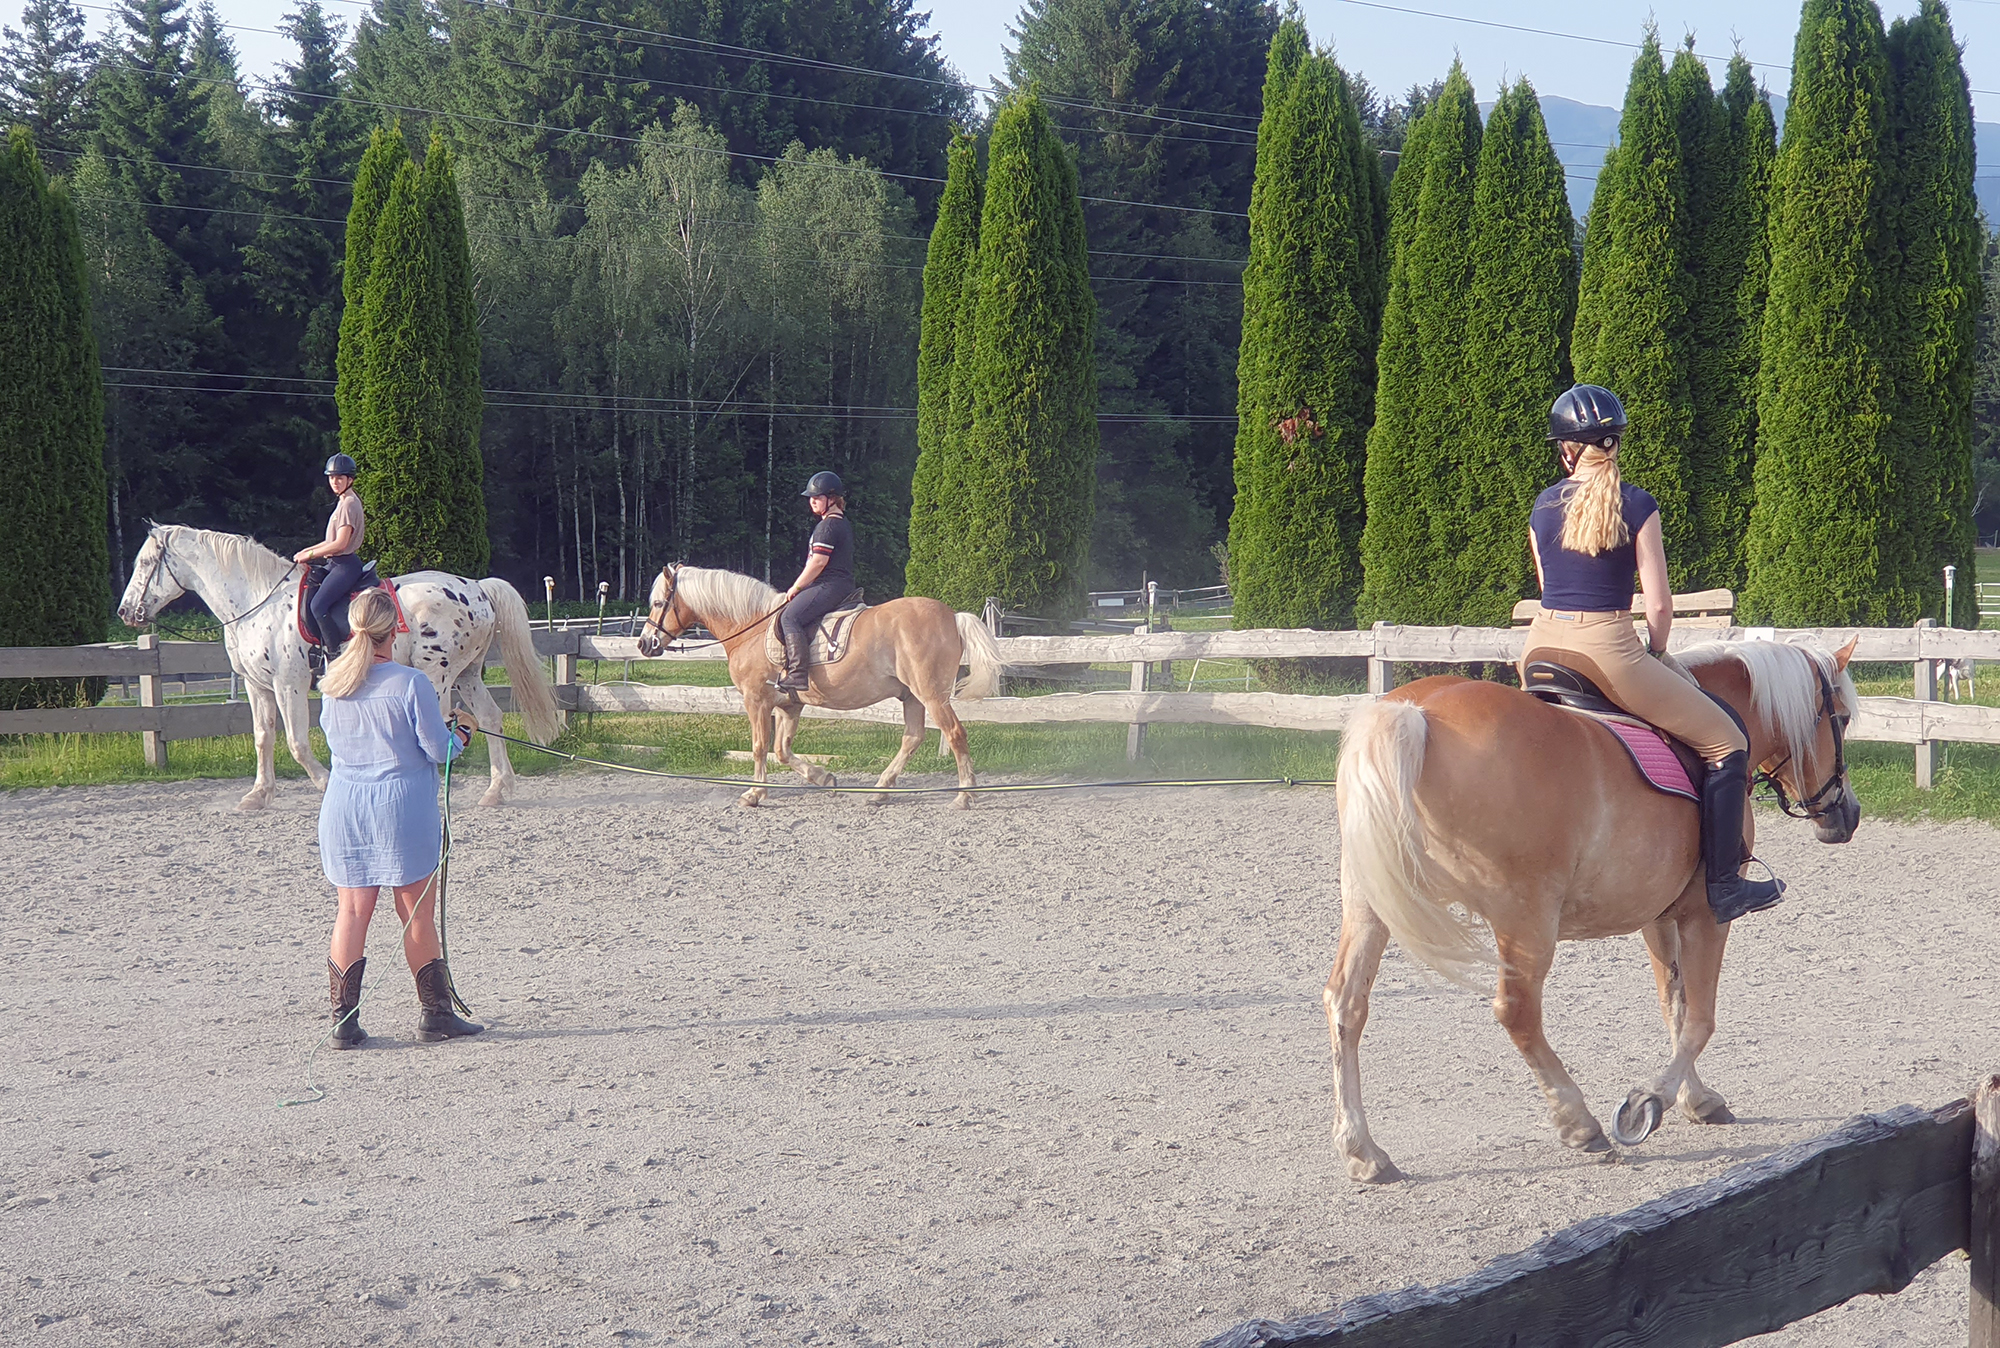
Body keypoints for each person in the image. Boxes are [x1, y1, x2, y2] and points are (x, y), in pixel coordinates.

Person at [1521, 384, 1784, 924]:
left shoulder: (1541, 506)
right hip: (1607, 652)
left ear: (1566, 449)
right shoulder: (1638, 504)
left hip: (1540, 649)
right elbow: (1659, 606)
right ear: (1614, 444)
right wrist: (1658, 653)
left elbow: (1549, 585)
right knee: (1728, 740)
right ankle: (1725, 884)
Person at [318, 586, 484, 1047]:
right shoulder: (411, 683)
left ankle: (343, 1021)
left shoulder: (332, 684)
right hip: (399, 809)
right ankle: (436, 1015)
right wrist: (463, 733)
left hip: (344, 807)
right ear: (396, 630)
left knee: (352, 911)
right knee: (415, 913)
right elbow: (438, 750)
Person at [773, 470, 856, 693]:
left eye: (817, 497)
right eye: (811, 497)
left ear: (832, 499)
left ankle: (797, 674)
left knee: (790, 617)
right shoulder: (841, 523)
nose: (812, 501)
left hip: (829, 585)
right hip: (841, 584)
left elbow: (818, 562)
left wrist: (796, 587)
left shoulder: (827, 526)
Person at [294, 454, 366, 665]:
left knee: (318, 606)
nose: (335, 482)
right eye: (332, 477)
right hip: (334, 563)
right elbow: (329, 541)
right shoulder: (343, 502)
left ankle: (335, 655)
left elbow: (340, 544)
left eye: (340, 478)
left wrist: (310, 555)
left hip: (345, 565)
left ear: (350, 479)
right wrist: (306, 551)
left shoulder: (349, 504)